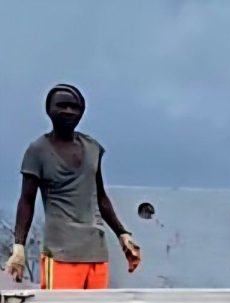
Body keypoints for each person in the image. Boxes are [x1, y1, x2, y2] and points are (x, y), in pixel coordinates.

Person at [4, 84, 141, 288]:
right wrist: (19, 247)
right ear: (49, 109)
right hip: (61, 253)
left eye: (74, 107)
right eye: (62, 106)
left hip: (95, 251)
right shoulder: (38, 151)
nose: (68, 111)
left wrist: (123, 234)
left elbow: (100, 196)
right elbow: (26, 201)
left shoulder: (92, 148)